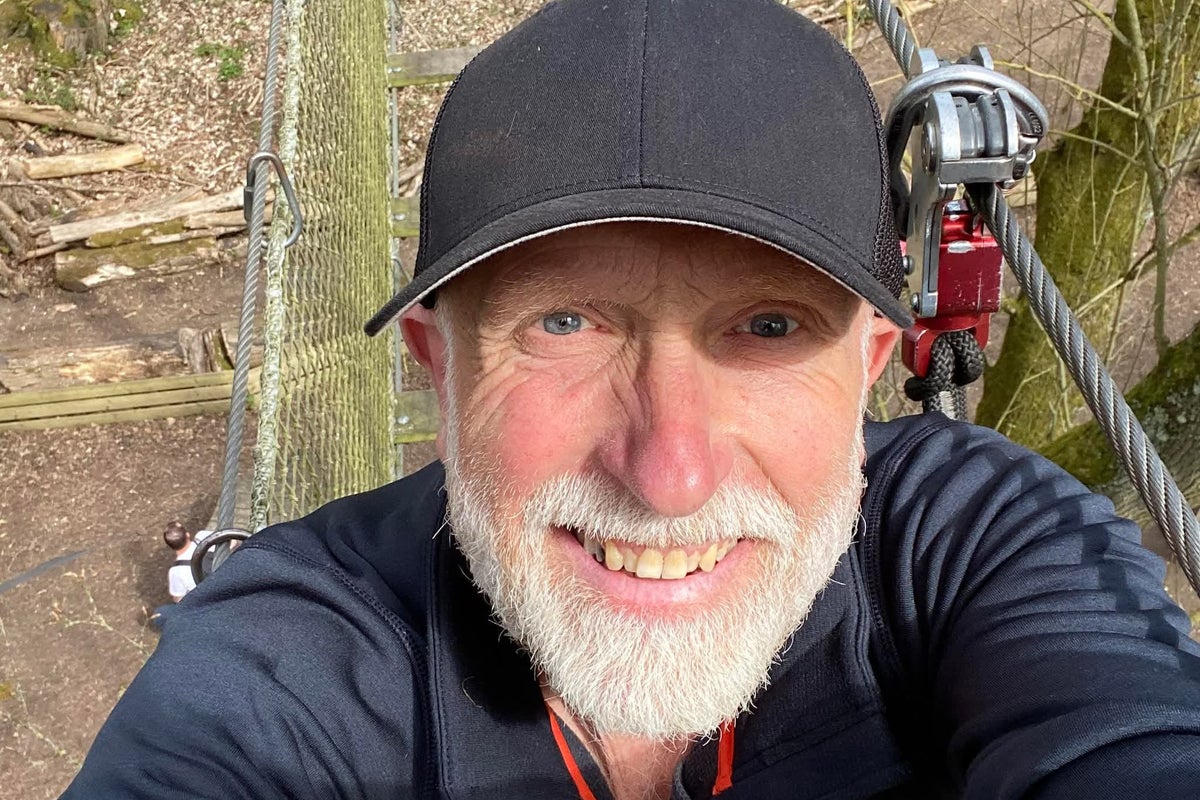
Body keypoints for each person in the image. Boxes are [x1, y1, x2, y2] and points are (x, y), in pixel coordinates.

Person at [64, 1, 1200, 797]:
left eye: (768, 327)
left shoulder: (974, 541)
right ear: (438, 364)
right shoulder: (296, 655)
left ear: (869, 364)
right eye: (563, 324)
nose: (669, 473)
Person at [148, 521, 196, 630]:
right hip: (223, 584)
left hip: (205, 603)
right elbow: (232, 541)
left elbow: (179, 600)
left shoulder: (176, 571)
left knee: (159, 615)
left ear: (170, 546)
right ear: (187, 534)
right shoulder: (203, 537)